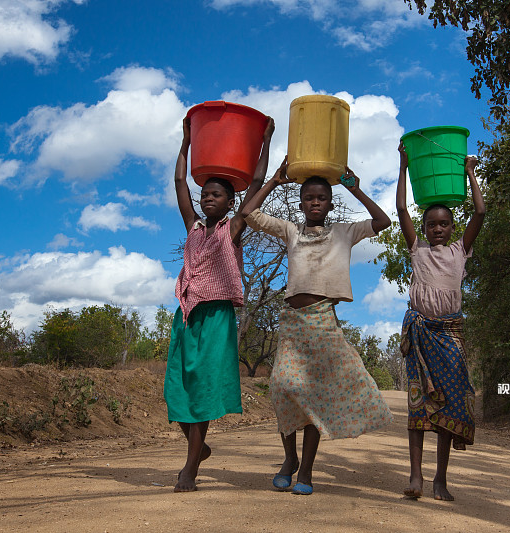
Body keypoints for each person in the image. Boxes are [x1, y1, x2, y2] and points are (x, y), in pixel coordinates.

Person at [241, 163, 394, 496]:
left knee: (313, 396)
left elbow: (383, 222)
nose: (314, 203)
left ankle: (306, 471)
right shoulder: (290, 232)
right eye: (308, 198)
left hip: (323, 320)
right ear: (300, 204)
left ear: (330, 203)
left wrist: (353, 187)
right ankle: (289, 459)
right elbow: (249, 212)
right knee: (282, 387)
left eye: (321, 198)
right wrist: (275, 181)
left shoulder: (344, 232)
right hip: (293, 323)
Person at [164, 113, 275, 492]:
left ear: (230, 202)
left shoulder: (235, 228)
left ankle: (189, 469)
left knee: (206, 389)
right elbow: (180, 179)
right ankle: (199, 448)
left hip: (217, 317)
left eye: (216, 195)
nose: (208, 198)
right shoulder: (193, 227)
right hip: (186, 315)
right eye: (205, 194)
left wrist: (266, 141)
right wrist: (186, 141)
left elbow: (257, 182)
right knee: (177, 387)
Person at [396, 142, 485, 501]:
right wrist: (403, 165)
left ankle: (440, 480)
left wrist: (470, 172)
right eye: (431, 224)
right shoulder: (416, 249)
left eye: (444, 223)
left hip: (449, 335)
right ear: (424, 227)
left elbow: (480, 212)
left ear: (452, 228)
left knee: (449, 404)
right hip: (420, 334)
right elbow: (401, 206)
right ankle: (416, 477)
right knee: (418, 407)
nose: (437, 229)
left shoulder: (460, 250)